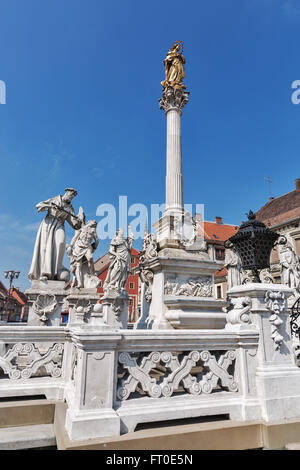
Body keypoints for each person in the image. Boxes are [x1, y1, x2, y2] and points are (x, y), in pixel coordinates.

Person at [28, 188, 83, 282]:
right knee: (45, 248)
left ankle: (56, 270)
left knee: (61, 243)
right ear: (66, 193)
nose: (71, 198)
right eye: (70, 195)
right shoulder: (54, 200)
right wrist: (50, 206)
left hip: (59, 225)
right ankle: (45, 274)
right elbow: (39, 206)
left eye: (72, 197)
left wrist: (80, 219)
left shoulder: (69, 208)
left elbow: (75, 225)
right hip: (48, 224)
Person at [67, 220, 99, 289]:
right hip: (79, 247)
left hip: (87, 247)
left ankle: (92, 274)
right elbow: (74, 238)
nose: (94, 226)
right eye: (93, 224)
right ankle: (80, 283)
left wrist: (95, 247)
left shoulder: (93, 231)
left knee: (90, 258)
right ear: (89, 223)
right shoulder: (81, 230)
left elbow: (96, 240)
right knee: (78, 265)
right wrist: (71, 245)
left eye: (95, 225)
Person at [104, 226, 134, 293]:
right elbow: (111, 250)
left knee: (124, 272)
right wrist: (116, 255)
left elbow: (131, 239)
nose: (123, 232)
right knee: (117, 269)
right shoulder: (115, 239)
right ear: (118, 232)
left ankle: (120, 286)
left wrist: (130, 229)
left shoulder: (125, 240)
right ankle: (112, 284)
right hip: (119, 257)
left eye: (123, 231)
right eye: (121, 231)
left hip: (126, 257)